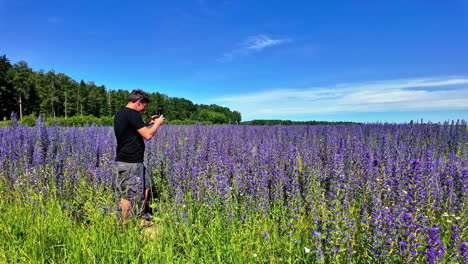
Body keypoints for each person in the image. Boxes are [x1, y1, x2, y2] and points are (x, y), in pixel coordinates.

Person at [113, 89, 165, 225]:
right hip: (129, 161)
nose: (143, 110)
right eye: (144, 106)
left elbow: (132, 130)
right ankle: (124, 225)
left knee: (146, 187)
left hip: (136, 160)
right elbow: (147, 136)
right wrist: (158, 124)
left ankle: (140, 218)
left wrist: (148, 123)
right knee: (128, 194)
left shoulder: (121, 114)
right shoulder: (133, 114)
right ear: (138, 102)